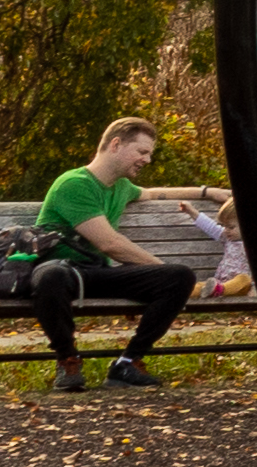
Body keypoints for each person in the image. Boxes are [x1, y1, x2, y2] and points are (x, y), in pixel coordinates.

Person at [23, 117, 233, 390]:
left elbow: (153, 194)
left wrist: (208, 192)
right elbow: (111, 244)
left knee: (179, 277)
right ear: (116, 144)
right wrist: (158, 267)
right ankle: (68, 361)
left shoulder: (121, 187)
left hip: (97, 273)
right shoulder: (73, 184)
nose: (147, 160)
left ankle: (127, 363)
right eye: (142, 152)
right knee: (50, 277)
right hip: (63, 272)